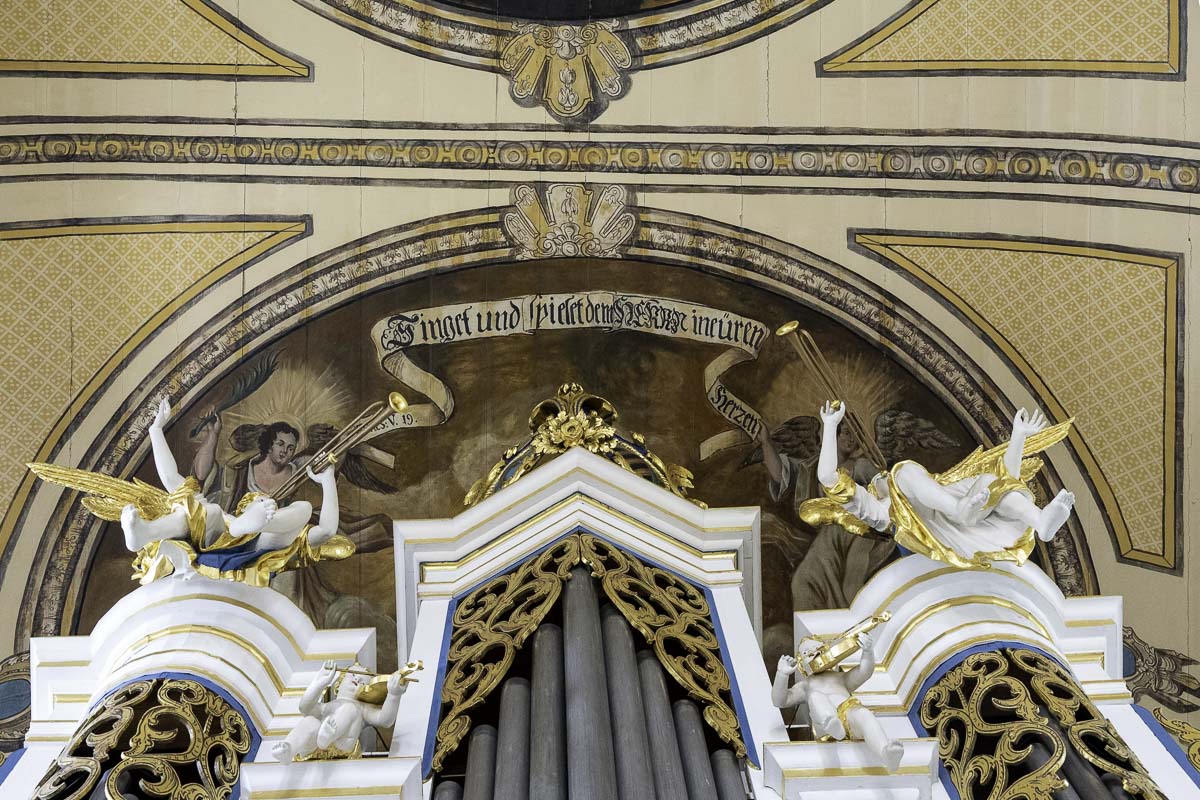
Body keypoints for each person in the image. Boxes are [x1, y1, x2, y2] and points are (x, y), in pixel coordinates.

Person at [806, 400, 1075, 569]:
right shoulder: (876, 508)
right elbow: (828, 477)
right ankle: (961, 510)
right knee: (904, 471)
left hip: (956, 511)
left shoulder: (939, 486)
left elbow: (1007, 480)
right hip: (933, 522)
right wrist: (829, 426)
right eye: (875, 481)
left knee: (989, 481)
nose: (879, 477)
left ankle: (1040, 521)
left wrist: (1019, 436)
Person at [772, 627, 903, 772]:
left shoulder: (841, 678)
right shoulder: (806, 685)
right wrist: (782, 674)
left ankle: (886, 753)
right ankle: (832, 725)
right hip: (824, 724)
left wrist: (867, 651)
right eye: (806, 653)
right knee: (815, 697)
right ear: (801, 666)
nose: (813, 653)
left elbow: (864, 672)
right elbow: (780, 701)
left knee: (864, 714)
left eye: (818, 649)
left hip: (848, 715)